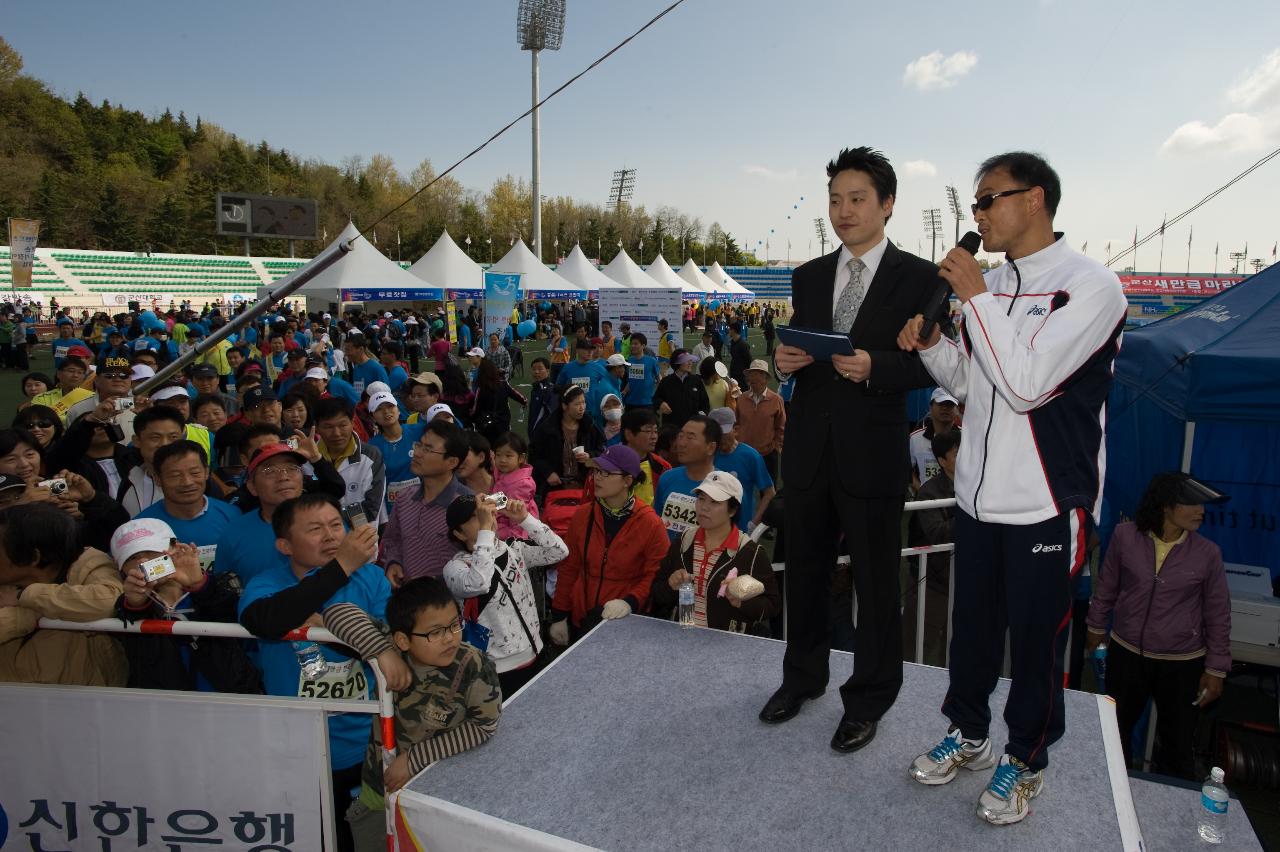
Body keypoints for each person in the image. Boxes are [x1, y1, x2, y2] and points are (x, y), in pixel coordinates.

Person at [898, 151, 1127, 825]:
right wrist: (934, 341)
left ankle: (1026, 759)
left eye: (988, 199)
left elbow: (1027, 385)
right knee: (970, 634)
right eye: (974, 203)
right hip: (976, 498)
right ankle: (969, 734)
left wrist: (972, 298)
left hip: (1046, 503)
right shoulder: (991, 286)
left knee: (1033, 644)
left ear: (1036, 201)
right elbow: (972, 383)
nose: (977, 216)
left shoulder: (1092, 286)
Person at [761, 147, 944, 760]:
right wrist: (787, 362)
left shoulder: (920, 278)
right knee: (806, 576)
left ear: (888, 204)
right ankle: (802, 679)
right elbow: (804, 355)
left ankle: (868, 699)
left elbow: (929, 363)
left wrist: (877, 367)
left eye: (857, 198)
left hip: (872, 455)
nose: (844, 211)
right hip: (810, 452)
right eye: (835, 200)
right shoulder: (808, 275)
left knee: (874, 584)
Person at [238, 492, 390, 852]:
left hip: (366, 745)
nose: (331, 536)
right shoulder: (267, 584)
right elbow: (262, 620)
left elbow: (388, 645)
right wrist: (340, 569)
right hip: (296, 749)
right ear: (284, 545)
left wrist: (331, 627)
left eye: (336, 525)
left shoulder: (371, 578)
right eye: (315, 529)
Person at [325, 578, 501, 852]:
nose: (450, 638)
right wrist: (382, 652)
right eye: (434, 632)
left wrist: (414, 760)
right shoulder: (389, 646)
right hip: (378, 788)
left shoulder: (472, 664)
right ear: (402, 640)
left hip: (439, 794)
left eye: (454, 625)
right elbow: (336, 612)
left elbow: (484, 726)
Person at [1085, 473, 1231, 779]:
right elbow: (1107, 586)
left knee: (1177, 746)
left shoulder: (1208, 554)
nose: (1200, 511)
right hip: (1127, 655)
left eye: (1202, 504)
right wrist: (1095, 625)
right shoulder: (1126, 537)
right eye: (1191, 503)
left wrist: (1216, 670)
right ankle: (1115, 797)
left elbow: (1218, 614)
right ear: (1165, 505)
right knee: (1115, 734)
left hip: (1182, 664)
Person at [110, 518, 263, 693]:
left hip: (228, 702)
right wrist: (136, 605)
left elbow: (230, 611)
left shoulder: (219, 585)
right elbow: (129, 634)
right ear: (122, 570)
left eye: (152, 552)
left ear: (174, 549)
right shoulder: (127, 603)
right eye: (132, 557)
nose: (143, 561)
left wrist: (200, 585)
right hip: (164, 708)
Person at [443, 493, 567, 695]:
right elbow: (480, 582)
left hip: (536, 652)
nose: (487, 519)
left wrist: (525, 519)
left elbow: (559, 551)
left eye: (487, 512)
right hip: (496, 671)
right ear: (459, 534)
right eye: (476, 516)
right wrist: (485, 533)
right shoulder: (455, 568)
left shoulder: (513, 548)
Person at [548, 445, 668, 644]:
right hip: (583, 616)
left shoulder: (650, 524)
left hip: (625, 621)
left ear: (627, 480)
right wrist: (560, 614)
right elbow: (569, 567)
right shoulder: (584, 514)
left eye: (606, 473)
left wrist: (630, 601)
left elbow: (655, 574)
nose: (597, 478)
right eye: (596, 471)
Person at [0, 503, 127, 685]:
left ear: (33, 556)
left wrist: (27, 596)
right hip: (11, 700)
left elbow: (111, 601)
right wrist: (25, 615)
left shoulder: (86, 562)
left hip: (85, 699)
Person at [650, 470, 781, 634]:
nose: (704, 507)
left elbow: (773, 606)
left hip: (728, 644)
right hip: (684, 635)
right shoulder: (684, 542)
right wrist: (670, 585)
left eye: (715, 502)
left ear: (732, 510)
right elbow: (657, 594)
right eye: (701, 499)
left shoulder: (750, 553)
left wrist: (741, 603)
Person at [382, 419, 473, 586]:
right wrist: (393, 562)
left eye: (428, 449)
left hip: (447, 605)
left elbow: (479, 561)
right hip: (407, 599)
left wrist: (436, 582)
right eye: (419, 445)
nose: (417, 453)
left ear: (452, 462)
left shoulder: (467, 505)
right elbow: (392, 540)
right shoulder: (405, 497)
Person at [135, 440, 240, 572]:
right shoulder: (141, 527)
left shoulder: (233, 515)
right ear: (157, 479)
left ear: (206, 472)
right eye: (175, 475)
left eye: (195, 473)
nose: (187, 482)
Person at [904, 428, 962, 667]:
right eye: (959, 454)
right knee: (913, 648)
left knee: (956, 651)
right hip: (933, 585)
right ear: (942, 461)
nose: (967, 457)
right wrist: (970, 511)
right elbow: (937, 533)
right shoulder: (930, 492)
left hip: (964, 584)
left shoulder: (978, 485)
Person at [314, 396, 387, 525]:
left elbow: (370, 510)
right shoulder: (307, 459)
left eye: (342, 425)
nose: (336, 433)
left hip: (361, 540)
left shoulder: (370, 456)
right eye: (328, 427)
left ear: (352, 422)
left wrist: (325, 521)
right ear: (317, 427)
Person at [529, 384, 605, 501]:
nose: (582, 407)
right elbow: (534, 455)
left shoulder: (590, 426)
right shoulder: (548, 428)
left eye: (583, 402)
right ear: (564, 406)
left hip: (585, 487)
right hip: (555, 488)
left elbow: (602, 449)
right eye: (577, 404)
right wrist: (548, 472)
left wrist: (589, 455)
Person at [653, 415, 722, 541]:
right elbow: (656, 524)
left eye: (690, 438)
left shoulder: (725, 487)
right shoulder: (667, 478)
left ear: (711, 447)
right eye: (681, 436)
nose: (681, 443)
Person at [708, 407, 776, 532]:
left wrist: (753, 524)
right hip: (710, 525)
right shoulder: (707, 454)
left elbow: (769, 493)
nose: (720, 438)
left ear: (736, 430)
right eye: (715, 434)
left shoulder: (750, 455)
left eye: (723, 433)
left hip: (740, 529)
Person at [368, 389, 425, 515]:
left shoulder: (419, 431)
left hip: (423, 504)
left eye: (390, 406)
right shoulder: (372, 447)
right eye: (379, 409)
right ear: (373, 416)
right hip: (393, 511)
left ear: (398, 410)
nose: (386, 412)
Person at [736, 359, 786, 484]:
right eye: (751, 374)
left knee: (768, 489)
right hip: (745, 453)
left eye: (757, 374)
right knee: (743, 488)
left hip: (768, 454)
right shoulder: (742, 399)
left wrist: (775, 445)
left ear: (765, 379)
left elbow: (781, 426)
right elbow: (736, 423)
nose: (752, 379)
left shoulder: (776, 400)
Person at [910, 388, 961, 492]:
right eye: (941, 404)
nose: (945, 408)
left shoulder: (966, 437)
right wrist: (921, 490)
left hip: (958, 499)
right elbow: (905, 470)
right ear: (931, 407)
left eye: (950, 405)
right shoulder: (915, 439)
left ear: (957, 410)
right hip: (926, 502)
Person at [491, 432, 540, 540]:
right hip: (501, 524)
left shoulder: (521, 484)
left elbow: (518, 521)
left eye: (508, 455)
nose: (502, 460)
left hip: (514, 536)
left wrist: (509, 541)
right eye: (498, 455)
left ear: (521, 458)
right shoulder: (503, 475)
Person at [619, 408, 670, 506]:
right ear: (628, 434)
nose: (654, 436)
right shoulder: (608, 466)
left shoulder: (663, 467)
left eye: (655, 431)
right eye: (648, 431)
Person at [471, 357, 526, 445]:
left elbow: (475, 409)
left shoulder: (481, 389)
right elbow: (521, 398)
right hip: (503, 422)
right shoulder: (503, 384)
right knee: (503, 445)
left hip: (487, 424)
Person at [653, 351, 710, 430]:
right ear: (677, 363)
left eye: (691, 360)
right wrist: (661, 404)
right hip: (671, 428)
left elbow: (705, 403)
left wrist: (702, 415)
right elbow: (656, 399)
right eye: (686, 360)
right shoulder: (666, 381)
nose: (690, 363)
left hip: (692, 428)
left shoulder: (696, 381)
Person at [526, 357, 557, 433]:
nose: (536, 372)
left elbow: (552, 415)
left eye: (540, 369)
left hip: (542, 435)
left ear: (547, 371)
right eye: (533, 369)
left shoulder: (548, 390)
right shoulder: (537, 388)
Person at [728, 322, 753, 387]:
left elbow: (749, 360)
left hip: (742, 377)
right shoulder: (732, 342)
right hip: (734, 375)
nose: (728, 331)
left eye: (730, 329)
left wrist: (748, 376)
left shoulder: (743, 345)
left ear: (733, 330)